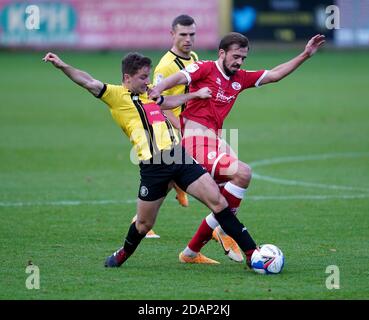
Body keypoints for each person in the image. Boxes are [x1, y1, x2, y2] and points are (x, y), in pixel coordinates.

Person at [43, 51, 259, 268]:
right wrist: (62, 65)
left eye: (148, 76)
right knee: (144, 224)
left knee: (219, 203)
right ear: (127, 78)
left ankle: (252, 253)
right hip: (154, 166)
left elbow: (168, 101)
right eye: (143, 77)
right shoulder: (116, 96)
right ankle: (123, 253)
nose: (148, 82)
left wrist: (193, 96)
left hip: (179, 156)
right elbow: (86, 80)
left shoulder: (150, 93)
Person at [149, 32, 326, 266]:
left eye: (243, 58)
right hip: (194, 141)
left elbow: (274, 75)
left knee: (224, 199)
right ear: (222, 53)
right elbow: (180, 77)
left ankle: (192, 252)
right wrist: (157, 89)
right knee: (242, 173)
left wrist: (305, 55)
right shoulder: (205, 68)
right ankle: (224, 232)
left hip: (214, 141)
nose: (239, 62)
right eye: (235, 56)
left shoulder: (240, 78)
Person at [134, 14, 244, 263]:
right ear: (172, 35)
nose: (188, 39)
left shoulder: (193, 60)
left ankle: (204, 237)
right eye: (183, 34)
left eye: (192, 34)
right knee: (214, 181)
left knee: (210, 179)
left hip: (193, 132)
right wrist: (185, 128)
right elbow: (157, 103)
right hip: (173, 134)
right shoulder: (165, 66)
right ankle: (219, 232)